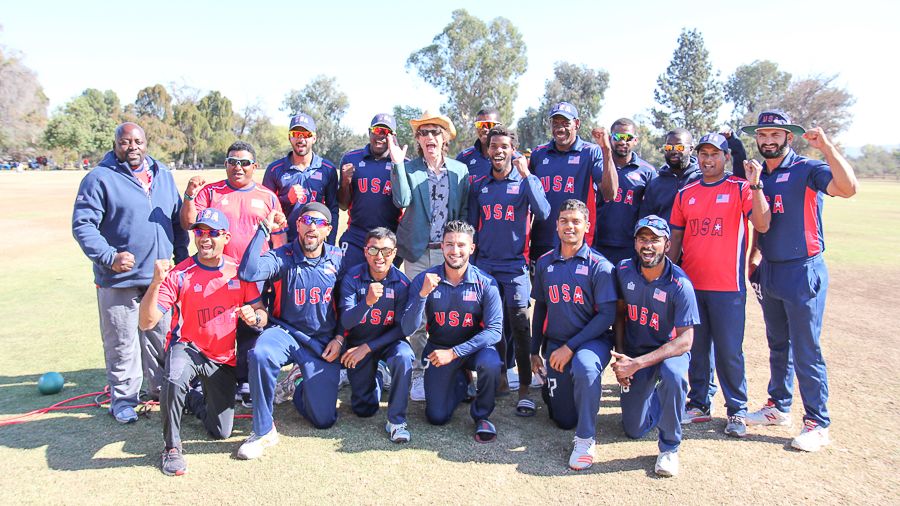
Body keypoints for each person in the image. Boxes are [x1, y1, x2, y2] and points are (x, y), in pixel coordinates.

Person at [742, 110, 858, 451]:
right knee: (778, 344)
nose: (767, 141)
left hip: (803, 268)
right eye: (762, 136)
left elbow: (848, 188)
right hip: (772, 269)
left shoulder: (807, 168)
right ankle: (778, 406)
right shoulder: (760, 173)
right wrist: (754, 259)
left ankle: (817, 422)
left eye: (774, 135)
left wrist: (827, 148)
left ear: (788, 137)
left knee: (807, 349)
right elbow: (761, 225)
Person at [72, 122, 188, 424]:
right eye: (125, 142)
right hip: (119, 279)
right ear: (115, 144)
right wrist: (109, 257)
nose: (132, 147)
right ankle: (123, 399)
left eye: (137, 141)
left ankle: (160, 392)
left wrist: (182, 259)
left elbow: (176, 222)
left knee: (161, 339)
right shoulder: (100, 178)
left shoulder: (162, 176)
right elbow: (83, 225)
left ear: (145, 142)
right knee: (121, 341)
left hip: (159, 279)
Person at [138, 208, 267, 476]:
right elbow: (146, 323)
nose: (205, 238)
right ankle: (171, 448)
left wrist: (253, 316)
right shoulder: (180, 273)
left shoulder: (238, 272)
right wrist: (154, 285)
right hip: (188, 348)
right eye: (199, 232)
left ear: (226, 237)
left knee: (221, 432)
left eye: (212, 233)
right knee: (173, 377)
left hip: (222, 358)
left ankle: (192, 401)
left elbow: (261, 314)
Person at [667, 133, 771, 437]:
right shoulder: (686, 193)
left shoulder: (740, 188)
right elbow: (675, 240)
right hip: (692, 286)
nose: (708, 159)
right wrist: (670, 275)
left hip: (728, 288)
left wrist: (756, 184)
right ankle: (698, 403)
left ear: (726, 157)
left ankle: (737, 409)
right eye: (703, 154)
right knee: (697, 348)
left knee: (729, 351)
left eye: (715, 154)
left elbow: (763, 224)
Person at [235, 202, 345, 459]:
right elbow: (248, 271)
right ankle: (263, 430)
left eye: (318, 223)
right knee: (261, 354)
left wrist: (340, 338)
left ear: (328, 230)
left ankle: (297, 384)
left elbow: (348, 303)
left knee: (324, 419)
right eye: (306, 221)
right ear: (297, 225)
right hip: (285, 332)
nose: (311, 227)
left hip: (321, 340)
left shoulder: (339, 258)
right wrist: (264, 229)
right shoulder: (283, 255)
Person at [181, 141, 283, 406]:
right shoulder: (210, 192)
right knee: (213, 327)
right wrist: (190, 196)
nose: (238, 167)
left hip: (253, 275)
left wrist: (277, 271)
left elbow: (279, 235)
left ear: (254, 166)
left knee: (251, 326)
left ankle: (246, 382)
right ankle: (204, 380)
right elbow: (189, 222)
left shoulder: (267, 196)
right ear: (226, 164)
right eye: (232, 161)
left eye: (244, 163)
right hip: (216, 274)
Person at [467, 126, 550, 416]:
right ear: (487, 150)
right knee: (494, 325)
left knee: (519, 326)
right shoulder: (479, 184)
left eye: (504, 146)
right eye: (493, 146)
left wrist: (527, 175)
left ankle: (525, 388)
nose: (498, 151)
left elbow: (543, 212)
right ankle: (500, 377)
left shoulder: (526, 180)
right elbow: (471, 228)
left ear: (513, 149)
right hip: (486, 265)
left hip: (515, 267)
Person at [388, 110, 470, 402]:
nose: (429, 138)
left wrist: (461, 250)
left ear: (445, 138)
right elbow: (402, 200)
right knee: (420, 313)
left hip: (451, 254)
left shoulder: (460, 171)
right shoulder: (408, 168)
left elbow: (462, 214)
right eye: (424, 133)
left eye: (435, 132)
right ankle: (421, 371)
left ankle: (457, 370)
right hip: (419, 253)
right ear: (418, 140)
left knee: (453, 313)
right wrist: (397, 165)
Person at [530, 199, 617, 471]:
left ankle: (586, 439)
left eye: (576, 221)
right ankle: (554, 390)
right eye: (565, 220)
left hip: (591, 342)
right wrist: (534, 350)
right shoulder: (545, 263)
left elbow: (606, 316)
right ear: (556, 225)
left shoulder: (600, 266)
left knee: (584, 367)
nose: (570, 226)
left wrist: (571, 346)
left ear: (587, 227)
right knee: (563, 419)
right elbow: (541, 307)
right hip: (556, 344)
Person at [612, 215, 700, 478]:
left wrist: (638, 363)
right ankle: (659, 403)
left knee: (673, 376)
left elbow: (686, 340)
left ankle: (670, 447)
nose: (647, 246)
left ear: (667, 244)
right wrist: (620, 358)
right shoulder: (624, 270)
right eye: (642, 239)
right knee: (633, 429)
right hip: (636, 354)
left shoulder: (680, 284)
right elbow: (619, 313)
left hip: (667, 353)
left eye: (654, 240)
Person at [401, 220, 503, 442]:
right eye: (449, 244)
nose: (455, 251)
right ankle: (461, 383)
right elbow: (407, 327)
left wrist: (455, 353)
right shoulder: (425, 279)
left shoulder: (486, 283)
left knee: (492, 363)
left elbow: (495, 331)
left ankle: (482, 414)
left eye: (461, 245)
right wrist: (422, 295)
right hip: (439, 350)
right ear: (441, 246)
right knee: (436, 417)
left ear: (472, 248)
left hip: (474, 349)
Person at [337, 227, 415, 443]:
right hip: (358, 341)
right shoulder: (352, 277)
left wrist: (368, 348)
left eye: (386, 251)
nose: (379, 257)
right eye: (373, 250)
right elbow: (346, 321)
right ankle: (378, 375)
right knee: (364, 409)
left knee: (404, 356)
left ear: (395, 252)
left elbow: (401, 329)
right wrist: (367, 303)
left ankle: (397, 420)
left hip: (388, 342)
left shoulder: (402, 284)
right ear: (365, 251)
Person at [528, 102, 617, 263]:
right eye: (555, 123)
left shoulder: (591, 152)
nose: (560, 128)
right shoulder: (538, 154)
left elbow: (610, 193)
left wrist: (606, 150)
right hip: (542, 240)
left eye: (565, 123)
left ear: (577, 124)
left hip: (576, 241)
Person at [337, 114, 404, 269]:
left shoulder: (402, 163)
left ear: (393, 137)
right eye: (377, 130)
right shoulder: (350, 159)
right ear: (369, 132)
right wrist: (345, 183)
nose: (380, 136)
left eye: (385, 132)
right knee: (346, 282)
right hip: (356, 235)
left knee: (382, 289)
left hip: (388, 237)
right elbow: (343, 205)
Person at [263, 113, 339, 244]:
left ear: (314, 138)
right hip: (283, 242)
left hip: (315, 242)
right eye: (296, 134)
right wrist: (287, 199)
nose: (301, 139)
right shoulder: (274, 169)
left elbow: (333, 209)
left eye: (306, 135)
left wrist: (330, 244)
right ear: (289, 137)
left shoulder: (327, 169)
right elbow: (265, 209)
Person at [593, 118, 657, 265]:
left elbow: (650, 211)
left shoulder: (647, 171)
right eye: (618, 137)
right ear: (610, 139)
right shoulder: (599, 165)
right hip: (598, 243)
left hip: (630, 246)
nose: (623, 142)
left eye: (628, 137)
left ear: (635, 140)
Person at [640, 129, 702, 223]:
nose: (673, 151)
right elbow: (646, 221)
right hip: (665, 237)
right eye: (669, 147)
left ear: (691, 149)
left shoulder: (702, 179)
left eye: (679, 147)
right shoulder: (655, 184)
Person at [456, 107, 512, 181]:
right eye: (479, 125)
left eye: (489, 124)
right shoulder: (464, 158)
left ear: (499, 126)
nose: (484, 129)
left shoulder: (514, 158)